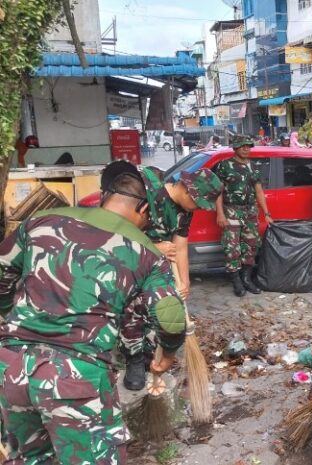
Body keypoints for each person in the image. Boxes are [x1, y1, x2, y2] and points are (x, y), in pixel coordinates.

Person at [0, 168, 186, 463]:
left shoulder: (41, 222)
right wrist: (168, 355)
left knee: (31, 458)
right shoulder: (146, 251)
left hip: (11, 370)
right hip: (76, 378)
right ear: (144, 208)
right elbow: (171, 317)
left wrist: (12, 314)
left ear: (105, 197)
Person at [117, 162, 223, 390]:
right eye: (198, 203)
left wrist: (184, 281)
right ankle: (133, 358)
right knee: (130, 310)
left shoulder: (185, 211)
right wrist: (153, 247)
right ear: (187, 188)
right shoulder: (147, 195)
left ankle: (145, 349)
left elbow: (180, 246)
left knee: (155, 311)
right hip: (130, 265)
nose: (198, 209)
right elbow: (117, 232)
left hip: (157, 271)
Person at [214, 137, 272, 297]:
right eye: (242, 146)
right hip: (231, 210)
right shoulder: (224, 166)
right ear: (235, 147)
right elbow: (217, 191)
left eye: (248, 146)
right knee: (232, 248)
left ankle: (246, 278)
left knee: (251, 245)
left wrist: (266, 213)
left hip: (250, 211)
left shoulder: (254, 166)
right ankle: (236, 281)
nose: (246, 149)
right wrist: (219, 213)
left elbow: (259, 191)